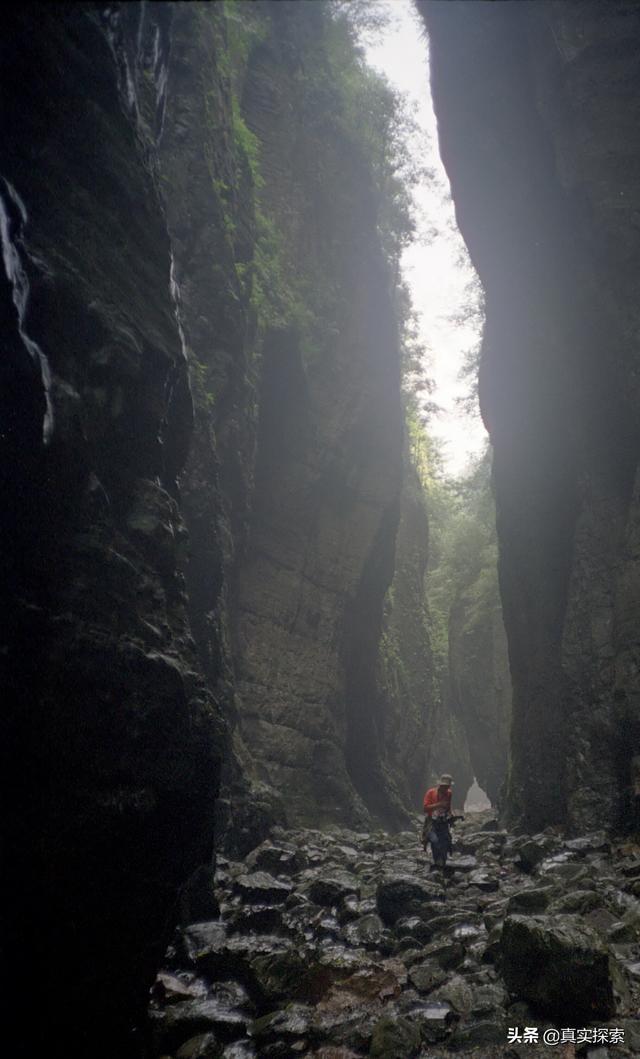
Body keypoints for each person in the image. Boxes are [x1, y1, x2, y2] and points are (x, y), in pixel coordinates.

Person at [422, 773, 455, 869]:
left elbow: (448, 807)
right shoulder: (430, 793)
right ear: (439, 785)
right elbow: (425, 808)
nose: (445, 788)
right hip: (432, 822)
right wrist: (439, 804)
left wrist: (451, 815)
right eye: (443, 786)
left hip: (443, 821)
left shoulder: (449, 793)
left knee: (445, 842)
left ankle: (442, 863)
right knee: (435, 841)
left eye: (447, 786)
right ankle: (436, 862)